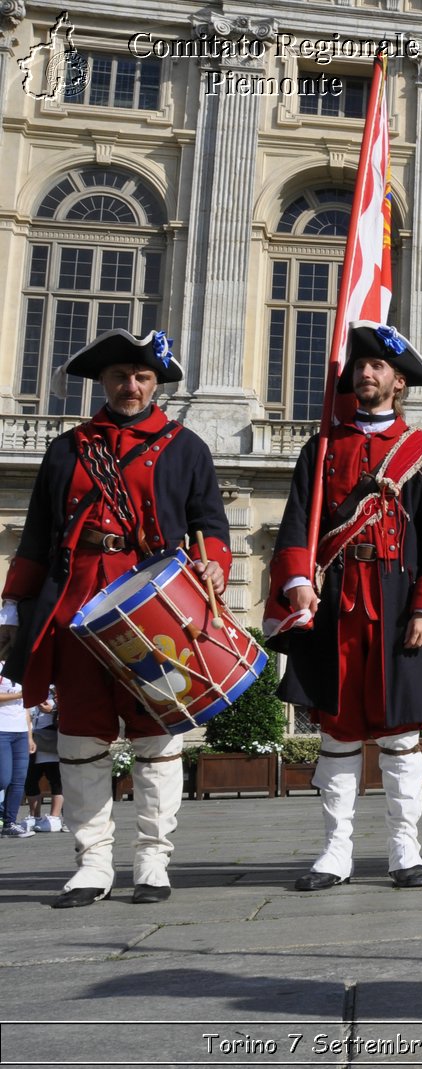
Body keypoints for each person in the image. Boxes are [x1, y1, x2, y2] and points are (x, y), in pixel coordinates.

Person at [0, 328, 231, 905]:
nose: (132, 386)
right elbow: (35, 537)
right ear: (103, 382)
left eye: (143, 377)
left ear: (157, 384)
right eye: (121, 377)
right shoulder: (69, 448)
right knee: (80, 738)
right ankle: (92, 862)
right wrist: (11, 607)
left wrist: (216, 567)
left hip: (154, 609)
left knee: (156, 739)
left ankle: (153, 861)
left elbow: (213, 524)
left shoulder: (186, 446)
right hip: (77, 605)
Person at [269, 323, 422, 892]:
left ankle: (406, 849)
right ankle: (335, 852)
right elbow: (295, 525)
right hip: (335, 602)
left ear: (399, 381)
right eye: (359, 365)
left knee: (402, 736)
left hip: (400, 601)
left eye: (378, 365)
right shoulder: (323, 446)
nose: (366, 372)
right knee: (337, 732)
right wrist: (297, 582)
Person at [25, 688, 65, 833]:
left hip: (51, 737)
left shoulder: (57, 688)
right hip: (32, 736)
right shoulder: (30, 687)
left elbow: (71, 706)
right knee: (31, 778)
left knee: (55, 778)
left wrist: (53, 710)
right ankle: (34, 816)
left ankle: (55, 817)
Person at [0, 674, 31, 838]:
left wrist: (30, 736)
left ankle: (9, 823)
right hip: (1, 730)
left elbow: (25, 707)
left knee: (19, 779)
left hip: (20, 731)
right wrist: (20, 694)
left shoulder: (21, 668)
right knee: (3, 778)